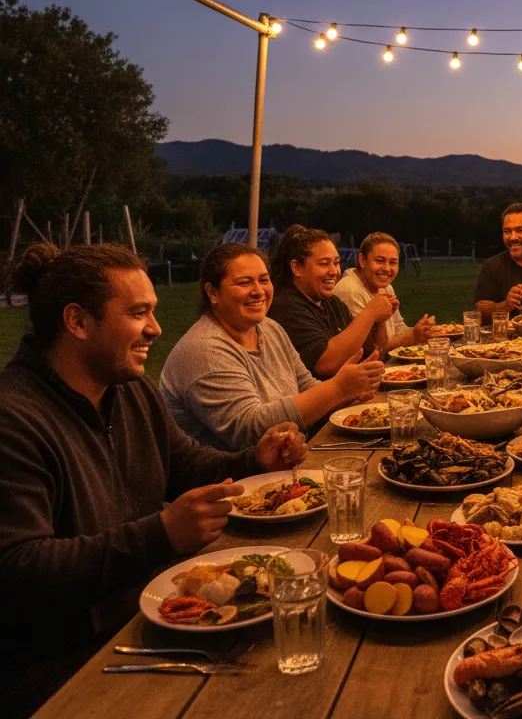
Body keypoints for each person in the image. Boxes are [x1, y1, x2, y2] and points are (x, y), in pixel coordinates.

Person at [0, 243, 309, 717]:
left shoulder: (127, 391)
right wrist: (159, 533)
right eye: (139, 312)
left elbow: (185, 464)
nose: (155, 328)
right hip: (67, 663)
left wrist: (256, 459)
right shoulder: (15, 419)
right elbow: (19, 568)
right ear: (78, 322)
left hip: (158, 615)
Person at [161, 243, 384, 450]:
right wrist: (337, 388)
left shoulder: (269, 328)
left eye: (264, 280)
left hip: (288, 462)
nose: (258, 290)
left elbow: (305, 385)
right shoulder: (204, 350)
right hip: (231, 483)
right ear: (213, 292)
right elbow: (251, 431)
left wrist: (349, 395)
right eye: (244, 282)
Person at [268, 224, 393, 377]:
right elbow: (326, 365)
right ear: (297, 268)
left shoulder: (333, 303)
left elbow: (372, 354)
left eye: (336, 262)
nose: (334, 271)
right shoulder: (285, 307)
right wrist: (371, 313)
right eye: (324, 263)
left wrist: (380, 320)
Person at [334, 232, 435, 352]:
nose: (387, 269)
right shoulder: (350, 291)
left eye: (393, 262)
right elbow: (369, 351)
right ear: (362, 260)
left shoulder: (385, 287)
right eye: (379, 260)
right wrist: (411, 337)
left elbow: (398, 329)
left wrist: (420, 331)